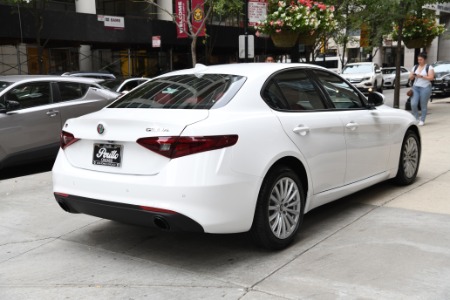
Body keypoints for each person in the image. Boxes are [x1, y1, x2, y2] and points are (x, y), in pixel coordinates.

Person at [408, 52, 435, 126]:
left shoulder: (429, 67)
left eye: (421, 60)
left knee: (423, 104)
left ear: (425, 60)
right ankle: (416, 119)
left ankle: (422, 120)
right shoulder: (415, 67)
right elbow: (410, 77)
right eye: (418, 59)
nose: (419, 61)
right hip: (415, 87)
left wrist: (421, 76)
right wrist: (412, 76)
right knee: (413, 104)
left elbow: (431, 78)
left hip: (425, 87)